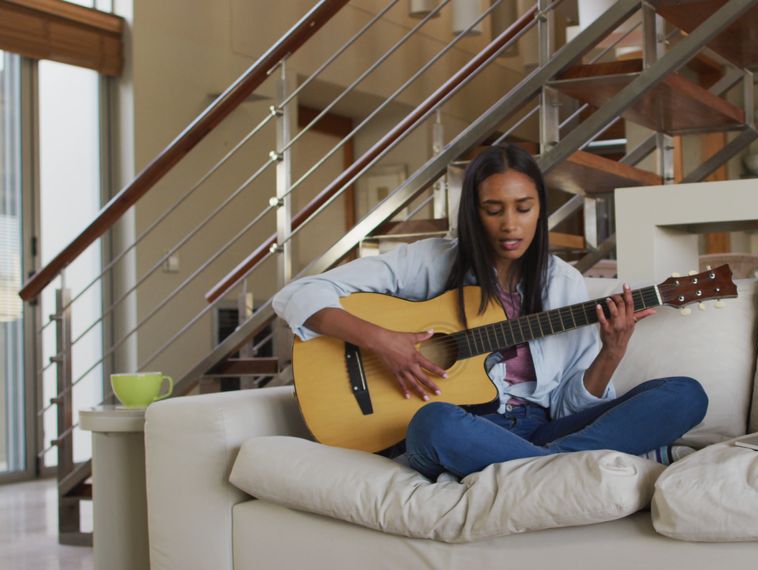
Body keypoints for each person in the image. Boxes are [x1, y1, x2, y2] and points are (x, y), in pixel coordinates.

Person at [272, 144, 707, 480]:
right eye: (493, 210)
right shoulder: (431, 261)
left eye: (524, 208)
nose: (510, 225)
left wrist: (611, 353)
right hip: (465, 429)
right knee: (434, 423)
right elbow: (299, 294)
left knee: (685, 393)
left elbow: (566, 406)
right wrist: (382, 341)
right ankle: (570, 470)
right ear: (473, 212)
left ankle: (542, 470)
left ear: (540, 208)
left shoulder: (564, 284)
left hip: (540, 428)